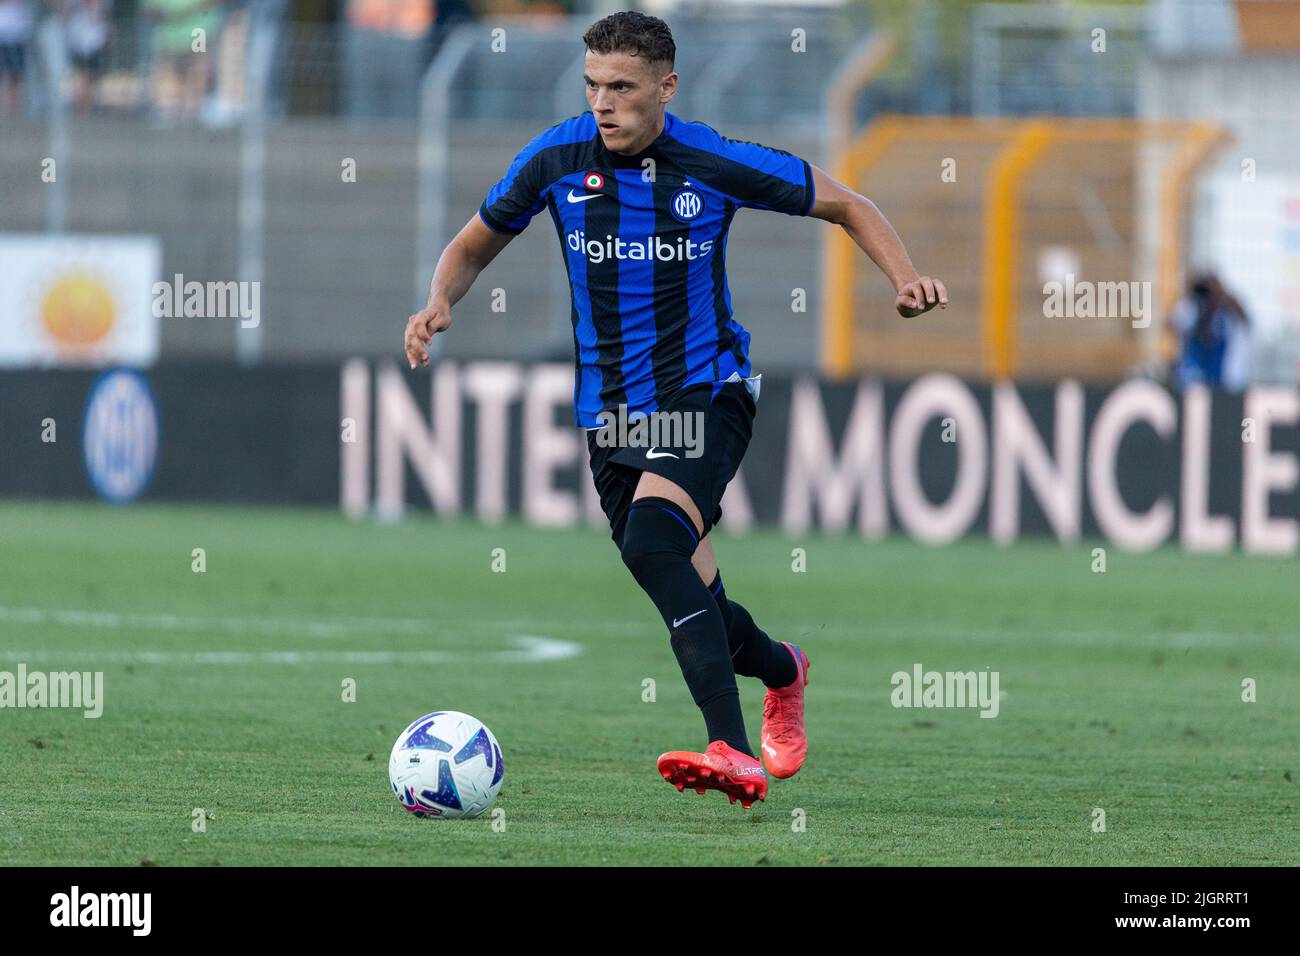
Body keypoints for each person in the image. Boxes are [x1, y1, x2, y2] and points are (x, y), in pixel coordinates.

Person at [401, 12, 948, 809]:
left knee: (658, 538)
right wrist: (437, 302)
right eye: (592, 86)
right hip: (610, 419)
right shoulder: (555, 159)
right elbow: (474, 243)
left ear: (667, 87)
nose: (603, 104)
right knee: (695, 597)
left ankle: (727, 747)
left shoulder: (711, 160)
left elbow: (848, 203)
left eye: (621, 88)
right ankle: (783, 670)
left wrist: (904, 280)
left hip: (707, 392)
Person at [1172, 272, 1251, 392]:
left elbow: (1246, 321)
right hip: (1193, 380)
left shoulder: (1227, 315)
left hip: (1223, 382)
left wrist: (1222, 297)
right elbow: (1173, 323)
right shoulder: (1192, 309)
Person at [0, 0, 33, 115]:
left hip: (19, 34)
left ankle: (14, 108)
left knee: (16, 75)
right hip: (3, 32)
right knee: (4, 74)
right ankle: (6, 108)